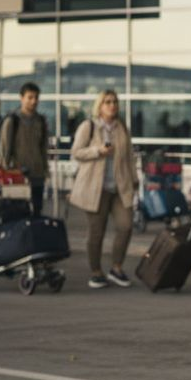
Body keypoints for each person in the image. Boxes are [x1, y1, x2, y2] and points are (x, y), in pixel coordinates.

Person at [69, 90, 138, 290]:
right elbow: (76, 152)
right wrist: (98, 151)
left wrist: (134, 179)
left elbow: (129, 157)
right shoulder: (89, 126)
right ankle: (96, 272)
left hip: (119, 187)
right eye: (107, 102)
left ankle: (116, 268)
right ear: (99, 106)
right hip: (95, 189)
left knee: (126, 226)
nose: (112, 105)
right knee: (96, 232)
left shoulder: (122, 128)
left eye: (115, 102)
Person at [0, 82, 50, 214]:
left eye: (36, 98)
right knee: (18, 212)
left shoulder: (41, 121)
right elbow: (4, 150)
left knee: (36, 211)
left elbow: (43, 148)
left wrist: (45, 170)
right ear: (22, 98)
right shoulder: (12, 121)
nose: (33, 101)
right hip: (17, 175)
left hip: (37, 175)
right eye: (30, 97)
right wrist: (7, 171)